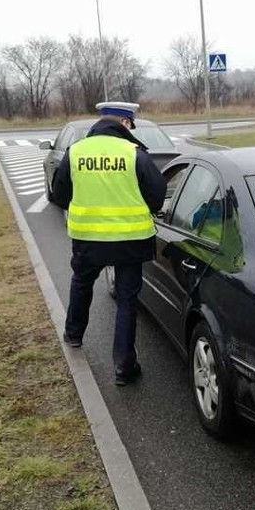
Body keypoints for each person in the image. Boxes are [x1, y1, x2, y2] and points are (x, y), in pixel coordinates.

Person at [51, 101, 167, 386]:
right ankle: (124, 368)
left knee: (81, 284)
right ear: (126, 123)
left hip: (88, 238)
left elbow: (61, 192)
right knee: (127, 301)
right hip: (130, 239)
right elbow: (157, 195)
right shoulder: (133, 153)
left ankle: (74, 335)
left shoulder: (75, 152)